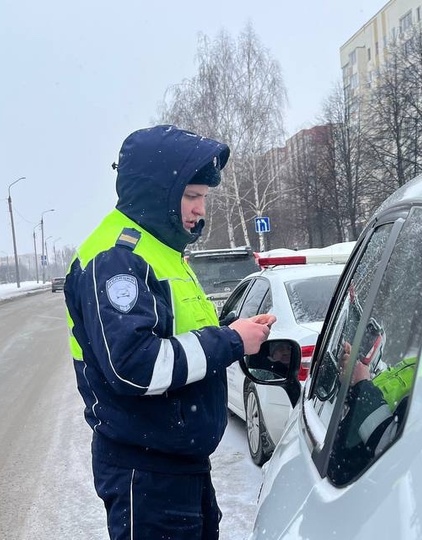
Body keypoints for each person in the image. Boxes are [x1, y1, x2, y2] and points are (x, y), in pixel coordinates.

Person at [63, 125, 276, 540]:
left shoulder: (163, 254)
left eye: (204, 198)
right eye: (192, 196)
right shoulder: (117, 257)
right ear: (159, 191)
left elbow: (180, 340)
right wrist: (231, 341)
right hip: (145, 473)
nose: (200, 210)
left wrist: (232, 332)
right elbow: (135, 367)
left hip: (178, 464)